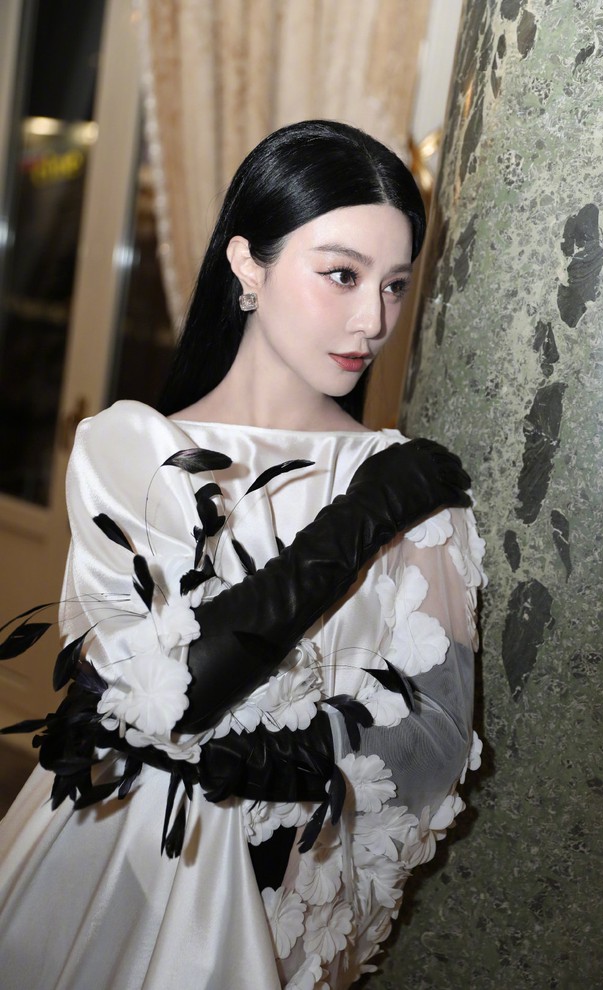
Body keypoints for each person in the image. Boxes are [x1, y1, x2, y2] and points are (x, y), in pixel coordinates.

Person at [0, 120, 486, 989]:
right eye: (342, 274)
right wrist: (358, 521)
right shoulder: (134, 452)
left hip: (297, 887)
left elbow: (435, 739)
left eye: (395, 284)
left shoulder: (409, 482)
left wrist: (298, 780)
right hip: (119, 864)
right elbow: (159, 691)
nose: (374, 320)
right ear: (247, 265)